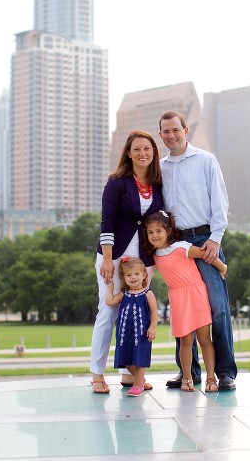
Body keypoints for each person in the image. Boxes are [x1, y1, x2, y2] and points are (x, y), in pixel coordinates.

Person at [158, 110, 238, 391]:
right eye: (166, 132)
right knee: (183, 307)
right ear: (161, 135)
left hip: (205, 239)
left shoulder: (206, 160)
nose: (171, 135)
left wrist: (215, 239)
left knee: (216, 308)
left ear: (185, 130)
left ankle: (226, 372)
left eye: (175, 130)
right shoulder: (161, 167)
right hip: (177, 244)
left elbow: (220, 201)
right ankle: (188, 372)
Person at [90, 130, 164, 394]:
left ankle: (128, 374)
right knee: (108, 312)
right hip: (114, 256)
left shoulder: (158, 184)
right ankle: (97, 374)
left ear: (154, 152)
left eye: (147, 148)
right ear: (128, 153)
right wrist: (108, 260)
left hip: (144, 261)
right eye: (136, 149)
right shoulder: (116, 182)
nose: (142, 153)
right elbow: (106, 222)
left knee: (136, 315)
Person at [145, 210, 226, 392]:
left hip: (196, 294)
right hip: (178, 299)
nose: (155, 235)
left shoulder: (182, 247)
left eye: (159, 231)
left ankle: (211, 378)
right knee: (185, 341)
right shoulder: (155, 255)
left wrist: (222, 266)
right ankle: (187, 378)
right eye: (150, 232)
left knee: (205, 339)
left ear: (168, 231)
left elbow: (206, 254)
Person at [105, 256, 159, 397]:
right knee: (126, 359)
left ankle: (138, 384)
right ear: (123, 278)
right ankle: (141, 380)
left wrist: (152, 327)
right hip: (124, 334)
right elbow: (110, 302)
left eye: (136, 274)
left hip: (141, 334)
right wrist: (109, 287)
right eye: (129, 275)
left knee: (139, 359)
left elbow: (154, 312)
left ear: (144, 275)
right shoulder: (124, 294)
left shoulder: (148, 293)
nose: (133, 277)